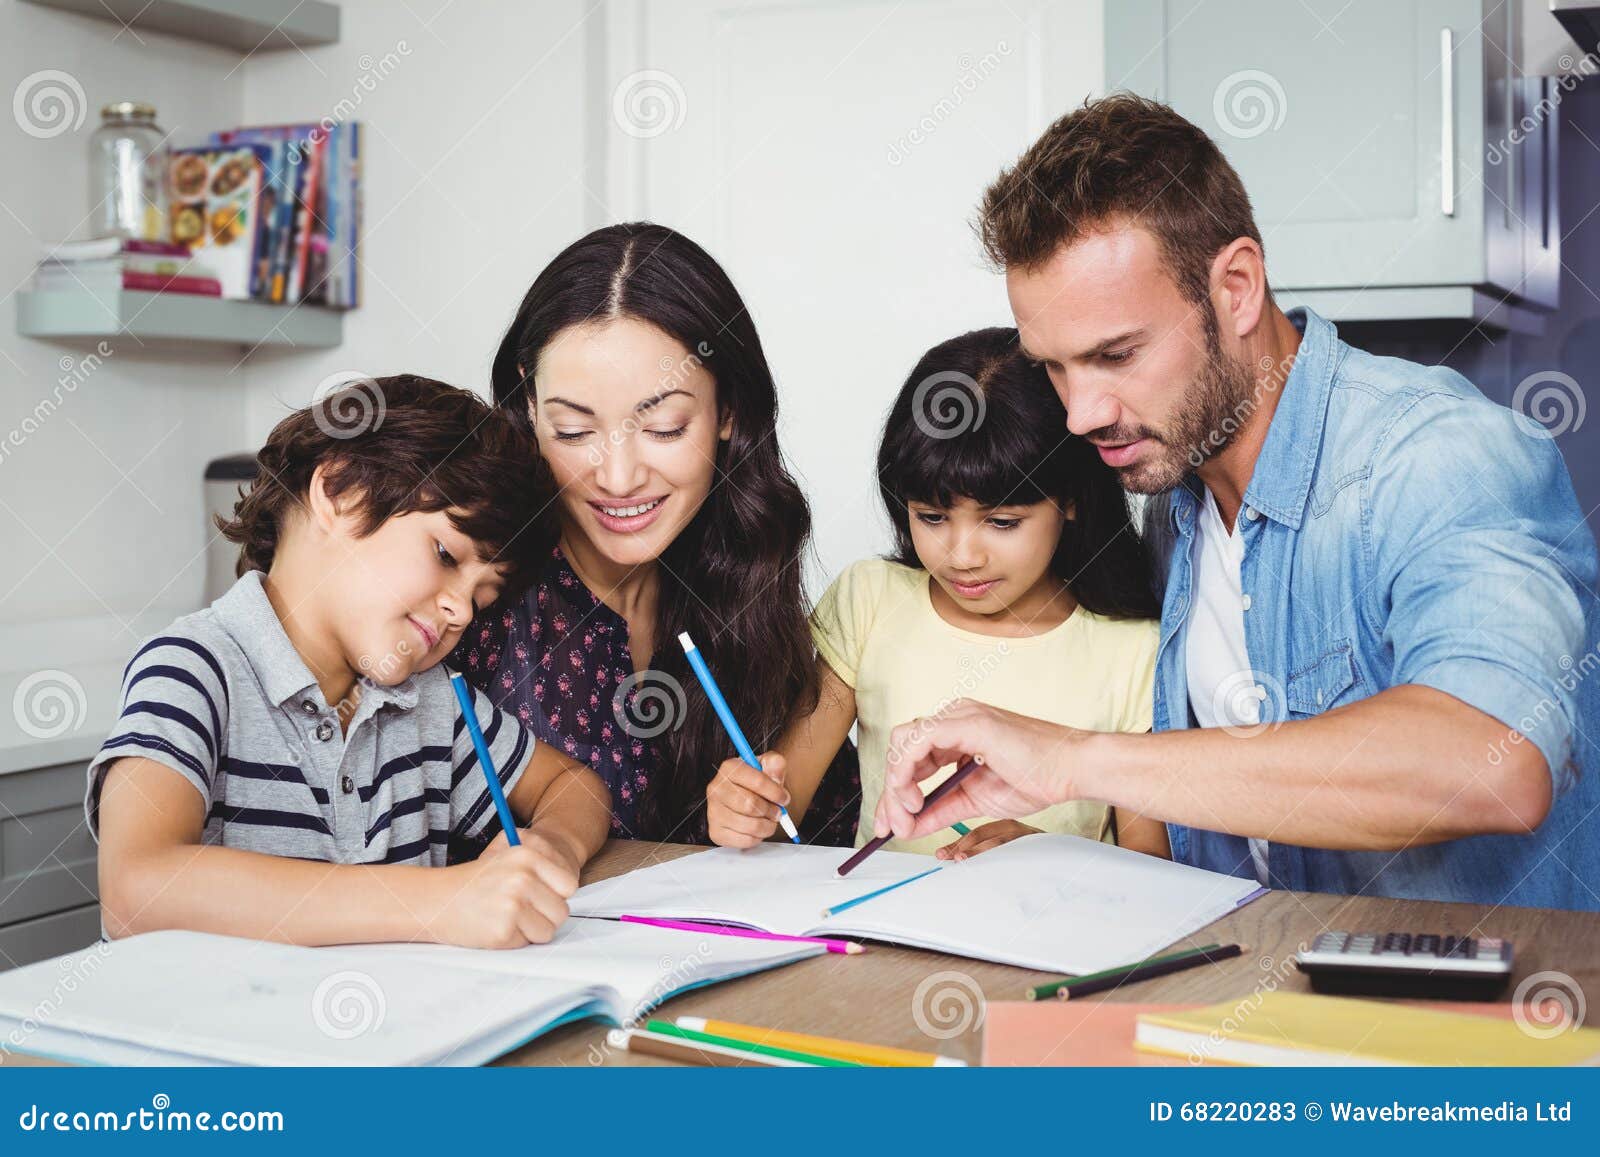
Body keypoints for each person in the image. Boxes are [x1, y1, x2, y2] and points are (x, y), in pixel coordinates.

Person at [874, 93, 1600, 909]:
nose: (1080, 413)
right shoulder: (1171, 501)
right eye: (1055, 367)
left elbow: (1492, 763)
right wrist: (1061, 857)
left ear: (1238, 288)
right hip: (1253, 1010)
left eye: (1116, 354)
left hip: (1479, 1028)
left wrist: (1077, 757)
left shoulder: (1435, 456)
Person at [90, 375, 612, 947]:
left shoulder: (429, 699)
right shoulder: (193, 670)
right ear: (340, 492)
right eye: (445, 555)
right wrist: (444, 902)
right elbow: (136, 889)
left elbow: (574, 786)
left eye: (482, 597)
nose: (460, 610)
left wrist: (551, 846)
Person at [454, 223, 861, 846]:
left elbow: (832, 850)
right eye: (572, 431)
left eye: (665, 427)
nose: (618, 478)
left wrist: (761, 819)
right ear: (529, 407)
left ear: (729, 412)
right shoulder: (466, 597)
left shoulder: (747, 580)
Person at [707, 327, 1168, 860]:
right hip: (882, 937)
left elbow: (1151, 870)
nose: (962, 555)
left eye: (1002, 522)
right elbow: (785, 811)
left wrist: (1050, 858)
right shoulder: (870, 599)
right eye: (931, 517)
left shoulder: (1132, 648)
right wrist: (747, 810)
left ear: (1069, 500)